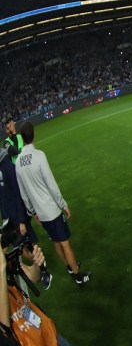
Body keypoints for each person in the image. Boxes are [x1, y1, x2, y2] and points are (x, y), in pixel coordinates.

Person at [0, 233, 102, 346]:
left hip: (45, 329)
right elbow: (4, 321)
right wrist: (1, 269)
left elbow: (34, 277)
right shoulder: (2, 267)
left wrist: (36, 263)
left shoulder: (6, 263)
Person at [14, 122, 90, 287]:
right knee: (65, 242)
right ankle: (77, 275)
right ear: (33, 135)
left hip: (41, 214)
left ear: (22, 138)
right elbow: (51, 185)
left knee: (56, 242)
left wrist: (33, 212)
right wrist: (63, 204)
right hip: (51, 210)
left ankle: (69, 267)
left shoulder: (18, 162)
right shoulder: (39, 156)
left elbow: (23, 194)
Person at [0, 145, 49, 290]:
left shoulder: (9, 167)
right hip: (9, 218)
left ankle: (44, 272)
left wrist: (22, 221)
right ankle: (40, 267)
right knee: (21, 248)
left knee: (30, 246)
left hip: (18, 218)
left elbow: (19, 195)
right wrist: (4, 218)